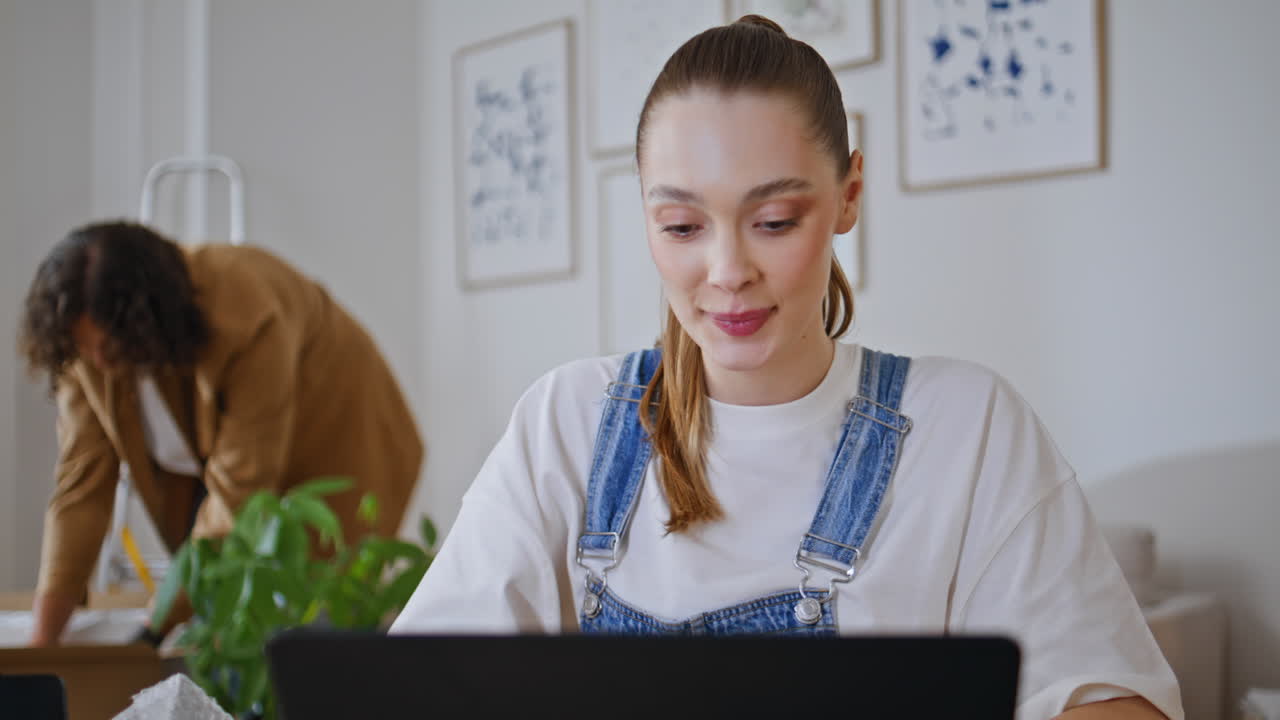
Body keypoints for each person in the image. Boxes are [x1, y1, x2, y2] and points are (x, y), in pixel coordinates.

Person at [391, 16, 1181, 720]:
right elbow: (414, 685)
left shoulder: (967, 428)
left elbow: (1109, 696)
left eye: (773, 220)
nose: (727, 269)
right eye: (681, 224)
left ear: (849, 195)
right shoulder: (566, 421)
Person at [19, 221, 424, 647]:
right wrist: (42, 646)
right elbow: (80, 489)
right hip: (221, 472)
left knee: (317, 626)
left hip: (341, 437)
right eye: (86, 349)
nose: (98, 363)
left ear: (147, 322)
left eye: (110, 348)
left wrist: (149, 635)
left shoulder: (246, 312)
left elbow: (239, 492)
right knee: (229, 617)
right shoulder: (86, 348)